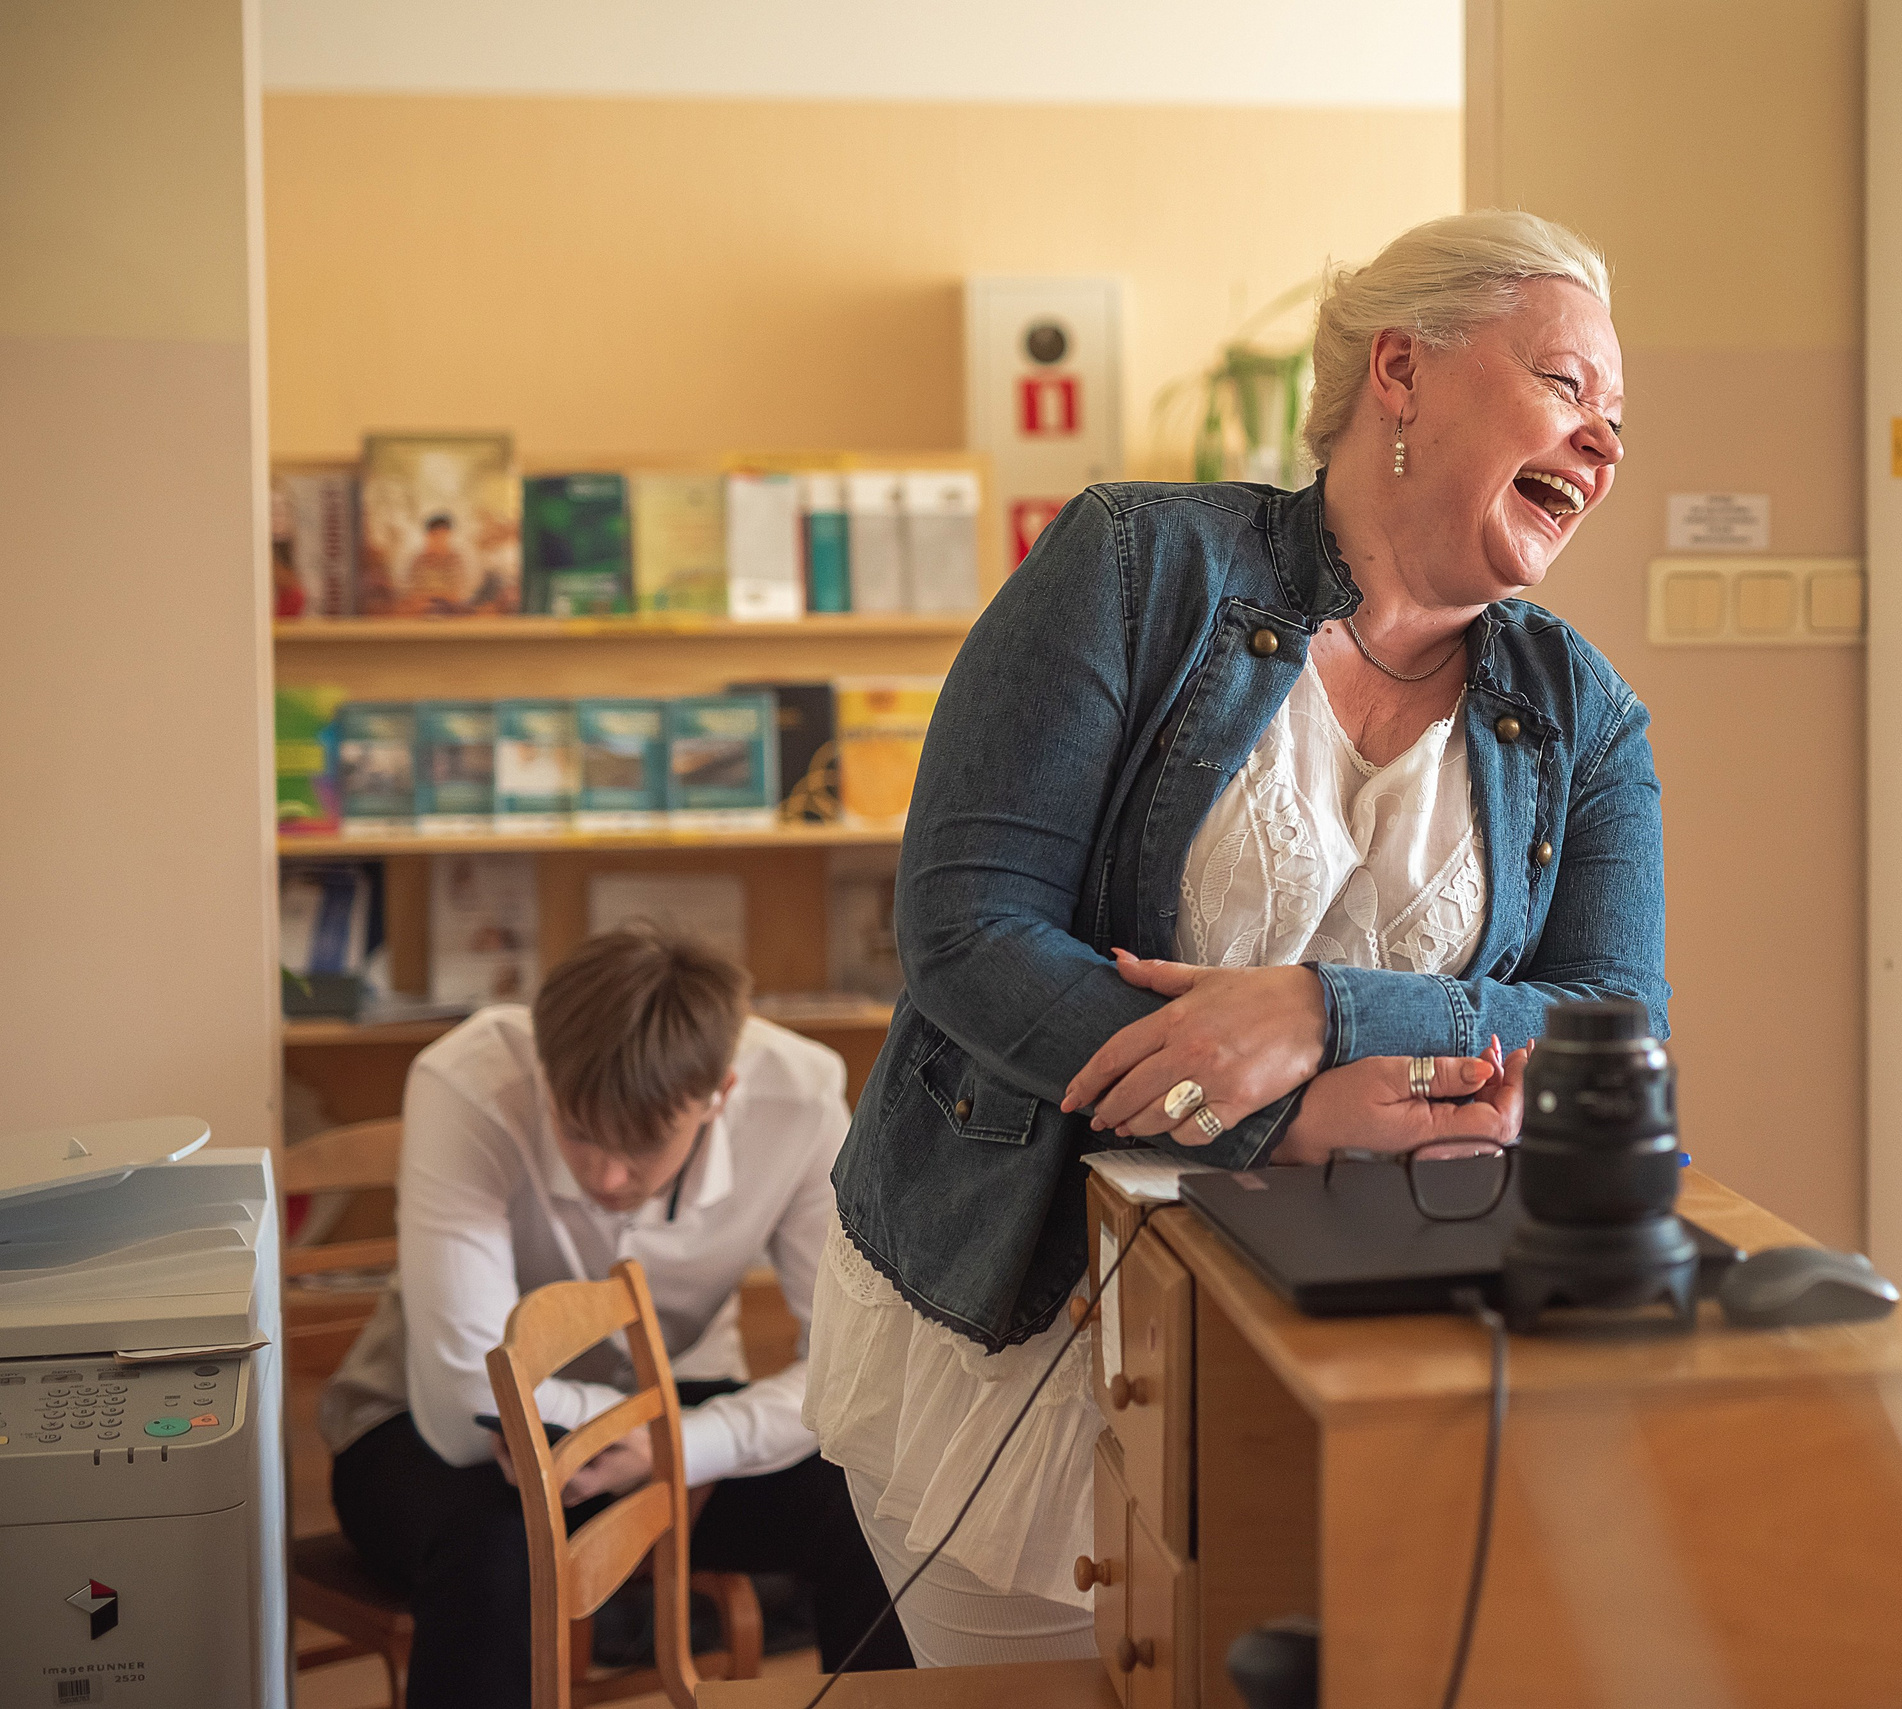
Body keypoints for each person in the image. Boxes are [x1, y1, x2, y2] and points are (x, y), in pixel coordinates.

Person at [802, 210, 1665, 1668]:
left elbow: (1612, 1025)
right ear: (1402, 368)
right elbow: (964, 931)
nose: (1604, 444)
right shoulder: (1136, 566)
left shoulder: (1584, 711)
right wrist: (1272, 1114)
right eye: (1569, 386)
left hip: (1366, 1345)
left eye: (1618, 419)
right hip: (1026, 1317)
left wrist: (1321, 1012)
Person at [322, 928, 912, 1706]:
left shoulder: (799, 1097)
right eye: (577, 1131)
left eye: (640, 1145)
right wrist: (665, 1441)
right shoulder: (466, 1079)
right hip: (435, 1431)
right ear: (544, 1072)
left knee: (874, 1500)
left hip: (656, 1410)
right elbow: (459, 1398)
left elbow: (847, 1373)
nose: (605, 1173)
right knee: (503, 1549)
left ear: (718, 1095)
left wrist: (686, 1446)